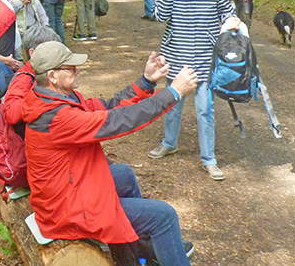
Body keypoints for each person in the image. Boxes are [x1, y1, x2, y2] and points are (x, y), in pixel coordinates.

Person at [21, 41, 198, 266]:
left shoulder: (53, 99)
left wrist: (146, 81)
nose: (78, 70)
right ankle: (150, 246)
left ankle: (138, 251)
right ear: (52, 77)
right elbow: (118, 121)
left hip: (66, 189)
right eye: (71, 68)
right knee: (164, 216)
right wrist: (173, 93)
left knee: (123, 174)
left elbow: (108, 107)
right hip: (65, 210)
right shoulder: (58, 117)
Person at [148, 0, 239, 181]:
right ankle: (169, 143)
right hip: (177, 57)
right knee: (172, 106)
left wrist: (232, 21)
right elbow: (160, 16)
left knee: (204, 111)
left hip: (205, 59)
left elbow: (226, 12)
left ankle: (209, 159)